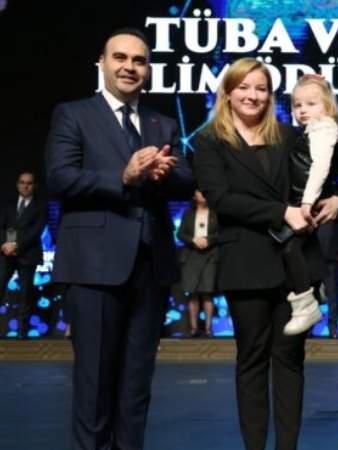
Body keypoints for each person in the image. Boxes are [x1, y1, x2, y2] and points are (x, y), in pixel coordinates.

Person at [44, 28, 194, 450]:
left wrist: (163, 175)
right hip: (93, 268)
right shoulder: (73, 114)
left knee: (136, 388)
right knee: (94, 388)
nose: (129, 67)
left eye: (139, 61)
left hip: (151, 268)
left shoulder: (162, 123)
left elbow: (187, 180)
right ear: (102, 62)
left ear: (148, 69)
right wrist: (123, 177)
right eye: (120, 58)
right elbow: (59, 177)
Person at [192, 57, 338, 450]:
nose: (252, 95)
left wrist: (336, 200)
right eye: (244, 87)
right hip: (245, 264)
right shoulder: (209, 141)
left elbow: (321, 174)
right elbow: (221, 199)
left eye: (261, 88)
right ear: (228, 92)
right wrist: (281, 212)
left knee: (291, 360)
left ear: (271, 95)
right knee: (252, 360)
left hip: (296, 264)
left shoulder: (290, 135)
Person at [274, 74, 338, 335]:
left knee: (292, 248)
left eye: (311, 104)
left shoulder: (324, 129)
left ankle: (307, 303)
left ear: (327, 106)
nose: (302, 110)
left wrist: (307, 200)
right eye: (297, 105)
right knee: (292, 250)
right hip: (298, 202)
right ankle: (314, 291)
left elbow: (321, 168)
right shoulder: (304, 132)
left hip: (307, 203)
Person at [0, 171, 47, 338]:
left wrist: (16, 245)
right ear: (17, 184)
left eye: (29, 183)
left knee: (26, 294)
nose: (25, 186)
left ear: (34, 186)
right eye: (22, 182)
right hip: (5, 254)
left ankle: (22, 333)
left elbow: (35, 231)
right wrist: (4, 244)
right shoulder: (7, 204)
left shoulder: (41, 206)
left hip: (28, 255)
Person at [176, 189, 218, 337]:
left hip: (210, 256)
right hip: (191, 256)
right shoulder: (188, 213)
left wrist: (208, 240)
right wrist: (193, 240)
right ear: (194, 196)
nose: (203, 195)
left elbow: (221, 233)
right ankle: (193, 328)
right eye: (200, 192)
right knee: (192, 293)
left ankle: (208, 329)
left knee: (208, 293)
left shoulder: (215, 213)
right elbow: (180, 234)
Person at [315, 197, 338, 338]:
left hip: (332, 252)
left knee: (333, 293)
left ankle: (333, 327)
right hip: (310, 253)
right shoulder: (306, 197)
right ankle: (308, 328)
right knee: (308, 293)